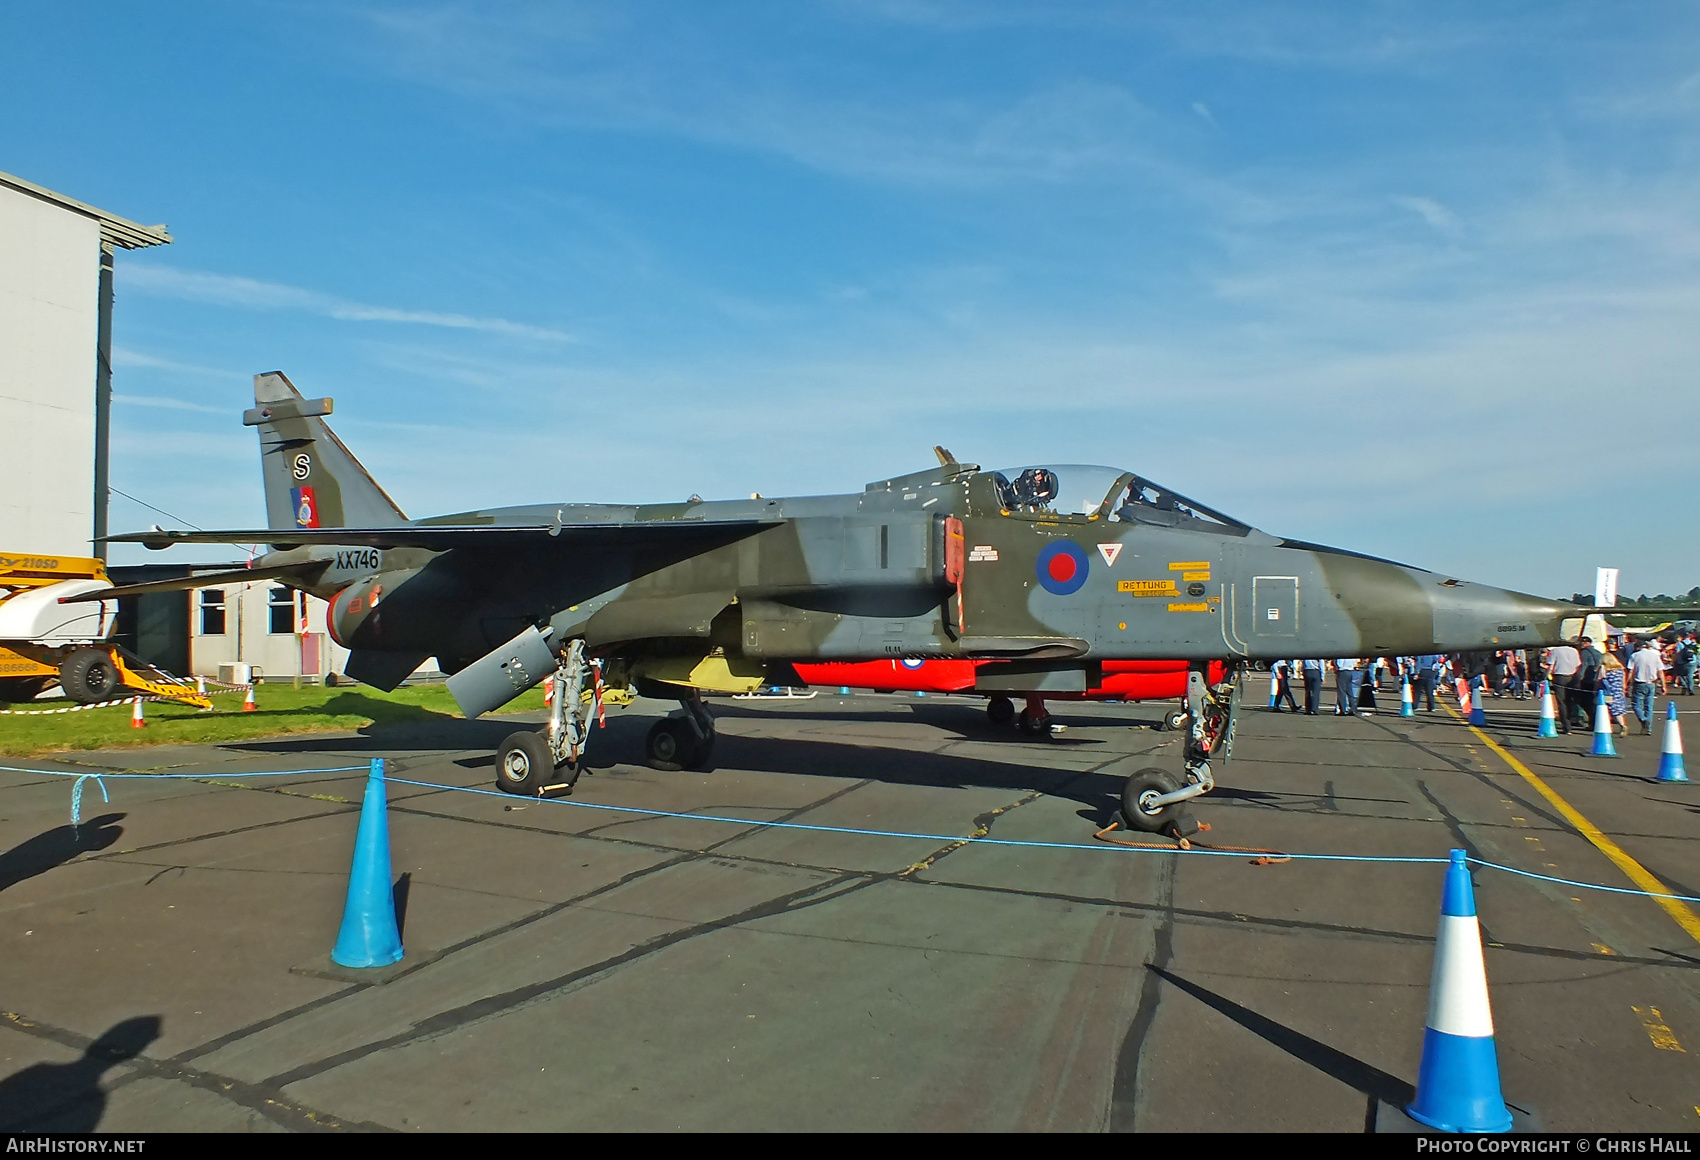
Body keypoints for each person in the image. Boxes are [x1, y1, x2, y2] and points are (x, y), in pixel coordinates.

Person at [1629, 637, 1668, 734]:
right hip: (1651, 683)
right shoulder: (1655, 656)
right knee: (1649, 707)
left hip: (1639, 683)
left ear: (1638, 647)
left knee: (1636, 705)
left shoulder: (1634, 656)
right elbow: (1660, 671)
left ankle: (1643, 720)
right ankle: (1648, 728)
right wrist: (1663, 685)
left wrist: (1627, 684)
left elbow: (1630, 671)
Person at [1547, 643, 1581, 733]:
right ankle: (1572, 719)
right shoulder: (1574, 651)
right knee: (1570, 700)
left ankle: (1566, 726)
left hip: (1560, 676)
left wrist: (1546, 676)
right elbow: (1578, 665)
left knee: (1561, 702)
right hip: (1572, 677)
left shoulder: (1555, 650)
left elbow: (1551, 665)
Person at [1599, 651, 1629, 737]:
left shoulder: (1604, 668)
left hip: (1608, 692)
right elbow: (1623, 682)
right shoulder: (1620, 669)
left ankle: (1608, 727)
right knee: (1618, 711)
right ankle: (1623, 725)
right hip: (1619, 691)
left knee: (1606, 709)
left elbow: (1599, 679)